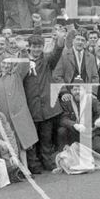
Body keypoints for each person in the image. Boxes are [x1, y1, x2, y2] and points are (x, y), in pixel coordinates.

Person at [24, 30, 66, 173]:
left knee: (46, 137)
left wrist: (60, 39)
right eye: (34, 46)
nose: (36, 49)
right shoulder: (22, 61)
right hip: (31, 107)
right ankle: (34, 164)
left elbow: (57, 52)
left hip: (47, 108)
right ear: (28, 47)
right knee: (32, 138)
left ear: (42, 47)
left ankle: (48, 162)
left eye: (39, 46)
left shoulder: (47, 60)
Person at [0, 56, 39, 168]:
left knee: (22, 143)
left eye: (9, 63)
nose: (6, 66)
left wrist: (23, 51)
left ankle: (26, 168)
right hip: (4, 116)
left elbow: (25, 64)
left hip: (19, 115)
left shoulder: (16, 74)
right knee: (9, 142)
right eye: (3, 63)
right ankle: (14, 169)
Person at [57, 85, 100, 152]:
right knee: (62, 130)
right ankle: (65, 151)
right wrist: (74, 125)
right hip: (74, 133)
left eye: (79, 89)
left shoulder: (91, 100)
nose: (77, 92)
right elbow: (63, 119)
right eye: (75, 89)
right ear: (71, 91)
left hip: (90, 133)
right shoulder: (67, 102)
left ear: (85, 91)